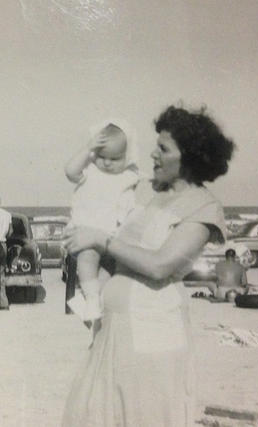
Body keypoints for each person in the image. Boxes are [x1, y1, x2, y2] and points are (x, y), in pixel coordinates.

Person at [61, 105, 234, 426]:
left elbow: (159, 266)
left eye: (164, 148)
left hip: (153, 332)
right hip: (112, 329)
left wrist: (100, 239)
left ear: (190, 158)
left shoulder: (203, 207)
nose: (153, 154)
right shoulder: (145, 192)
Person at [64, 118, 140, 323]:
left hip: (111, 235)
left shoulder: (129, 177)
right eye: (102, 156)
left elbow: (129, 206)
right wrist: (87, 149)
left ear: (128, 156)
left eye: (115, 158)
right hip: (87, 230)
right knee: (87, 259)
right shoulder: (90, 171)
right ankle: (90, 300)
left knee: (108, 271)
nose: (107, 162)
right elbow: (70, 171)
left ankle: (96, 300)